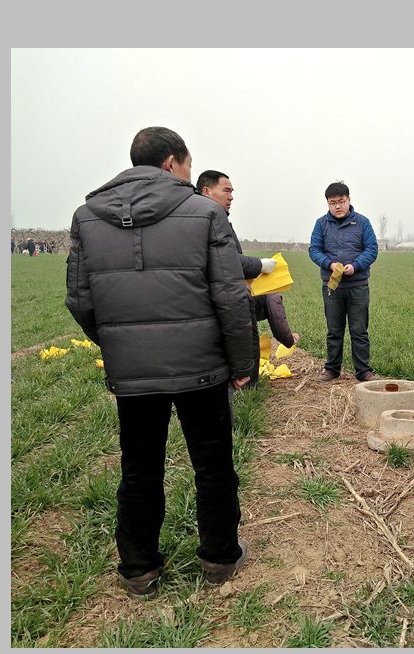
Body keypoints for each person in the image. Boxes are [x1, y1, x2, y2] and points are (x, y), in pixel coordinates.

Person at [65, 126, 253, 599]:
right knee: (212, 465)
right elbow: (231, 298)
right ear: (171, 162)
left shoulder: (87, 217)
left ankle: (139, 568)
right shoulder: (206, 213)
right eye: (189, 165)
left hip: (133, 375)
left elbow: (81, 301)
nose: (191, 174)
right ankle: (218, 558)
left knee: (139, 468)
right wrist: (241, 362)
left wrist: (118, 346)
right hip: (203, 368)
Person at [196, 170, 292, 390]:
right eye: (226, 191)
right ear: (207, 191)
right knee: (241, 342)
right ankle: (246, 390)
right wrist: (259, 265)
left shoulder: (219, 220)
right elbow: (226, 260)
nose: (231, 197)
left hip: (237, 294)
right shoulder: (205, 221)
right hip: (226, 299)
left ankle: (249, 388)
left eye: (232, 192)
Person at [309, 181, 379, 382]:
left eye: (341, 201)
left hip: (358, 286)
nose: (337, 206)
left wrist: (355, 265)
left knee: (359, 331)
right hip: (332, 287)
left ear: (349, 200)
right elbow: (314, 249)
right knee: (334, 330)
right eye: (333, 203)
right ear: (328, 204)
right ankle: (332, 369)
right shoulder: (321, 223)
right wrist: (329, 264)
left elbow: (372, 249)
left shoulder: (363, 222)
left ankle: (363, 371)